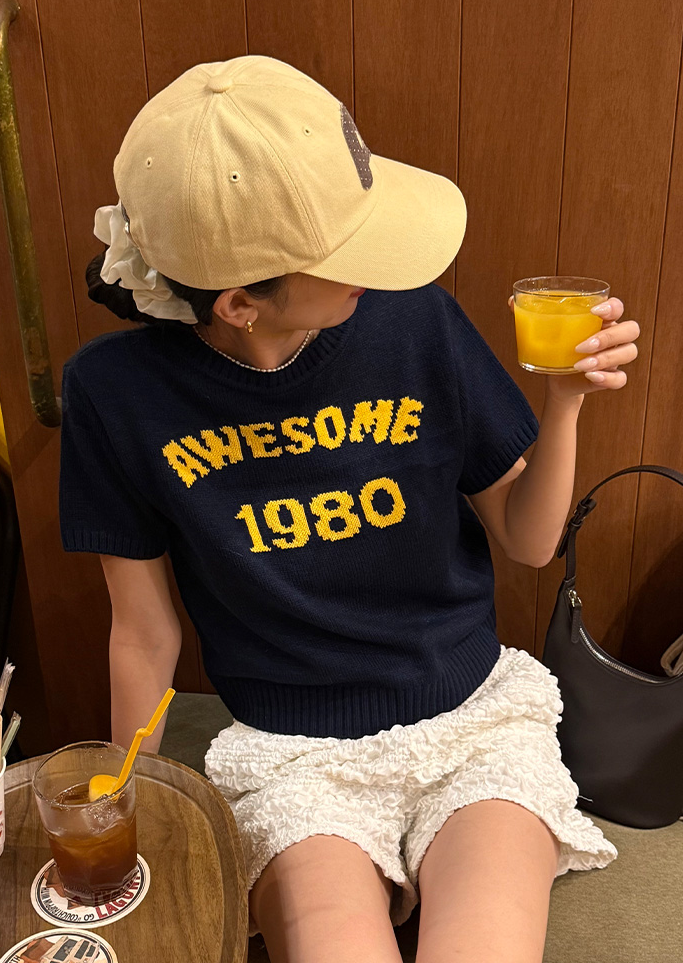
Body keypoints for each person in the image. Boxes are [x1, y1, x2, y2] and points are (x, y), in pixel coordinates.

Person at [59, 54, 639, 963]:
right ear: (240, 303)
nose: (381, 265)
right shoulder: (114, 392)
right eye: (346, 253)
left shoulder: (417, 323)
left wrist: (564, 403)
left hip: (472, 725)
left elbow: (529, 543)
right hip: (294, 756)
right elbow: (142, 632)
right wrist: (124, 792)